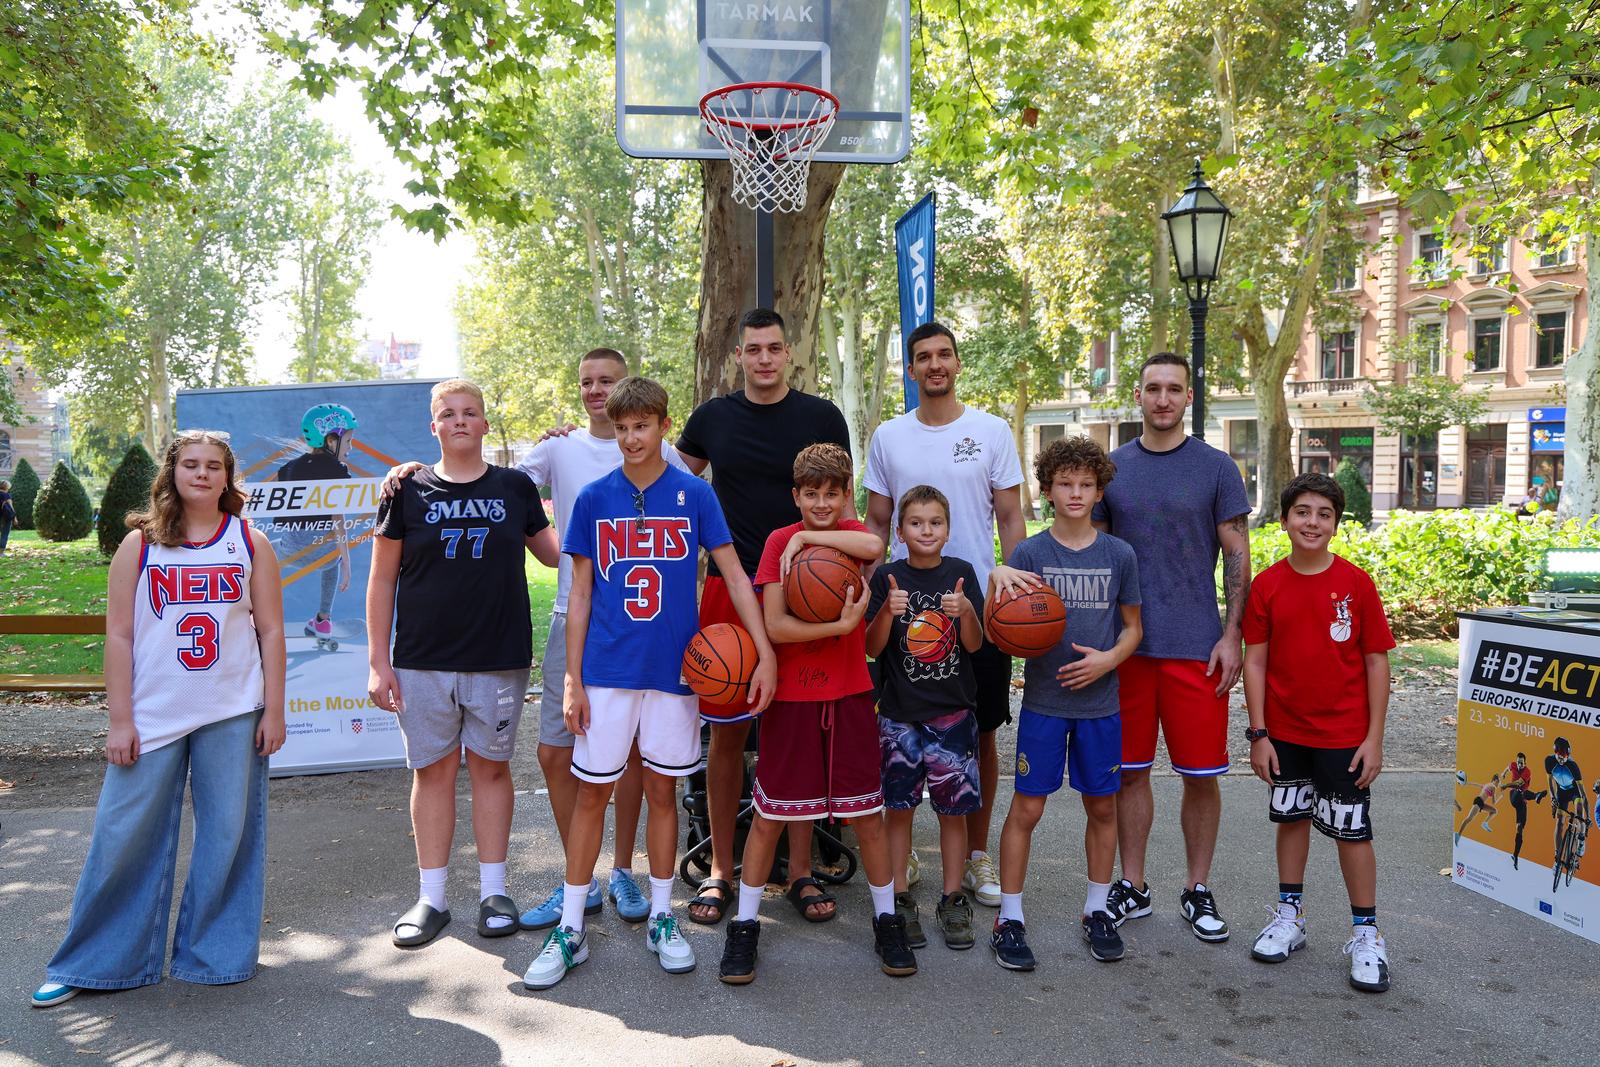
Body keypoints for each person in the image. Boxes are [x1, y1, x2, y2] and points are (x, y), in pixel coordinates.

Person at [381, 349, 683, 927]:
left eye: (609, 383)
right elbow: (475, 477)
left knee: (635, 757)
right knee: (556, 751)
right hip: (574, 616)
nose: (598, 392)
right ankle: (581, 876)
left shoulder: (663, 454)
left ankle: (622, 872)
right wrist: (411, 471)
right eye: (588, 383)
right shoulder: (556, 449)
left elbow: (692, 510)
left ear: (634, 394)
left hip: (641, 625)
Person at [524, 376, 776, 990]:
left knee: (663, 795)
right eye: (623, 427)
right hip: (607, 671)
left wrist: (763, 652)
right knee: (592, 795)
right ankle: (573, 926)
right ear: (612, 429)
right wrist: (570, 681)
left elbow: (736, 578)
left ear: (664, 425)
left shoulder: (694, 495)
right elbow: (579, 594)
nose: (632, 437)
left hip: (674, 673)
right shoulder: (592, 498)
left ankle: (663, 916)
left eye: (644, 425)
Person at [32, 430, 286, 1009]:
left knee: (228, 835)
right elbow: (118, 637)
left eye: (213, 466)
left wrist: (275, 708)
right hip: (151, 714)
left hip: (232, 708)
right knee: (122, 836)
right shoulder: (140, 544)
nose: (202, 474)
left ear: (228, 477)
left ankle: (215, 955)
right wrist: (119, 719)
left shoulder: (249, 541)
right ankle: (95, 962)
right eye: (190, 465)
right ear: (171, 472)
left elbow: (271, 630)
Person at [675, 309, 853, 926]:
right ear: (738, 355)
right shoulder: (712, 419)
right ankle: (722, 869)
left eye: (775, 348)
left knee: (795, 735)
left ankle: (800, 868)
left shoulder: (821, 417)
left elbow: (842, 501)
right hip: (730, 588)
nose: (765, 359)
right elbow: (668, 486)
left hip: (806, 591)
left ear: (789, 353)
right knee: (727, 735)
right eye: (754, 349)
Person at [367, 380, 558, 948]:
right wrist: (379, 661)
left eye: (469, 412)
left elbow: (555, 554)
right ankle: (432, 898)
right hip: (423, 658)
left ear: (484, 425)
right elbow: (381, 579)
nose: (459, 421)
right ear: (434, 427)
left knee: (492, 770)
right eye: (447, 414)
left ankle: (494, 891)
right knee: (434, 772)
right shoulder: (406, 490)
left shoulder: (515, 486)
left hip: (497, 657)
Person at [718, 443, 909, 983]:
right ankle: (746, 928)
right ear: (795, 495)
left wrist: (811, 536)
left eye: (832, 494)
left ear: (845, 494)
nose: (822, 503)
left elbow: (873, 541)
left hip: (848, 693)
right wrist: (838, 627)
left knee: (866, 816)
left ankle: (887, 921)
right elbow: (775, 626)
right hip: (793, 699)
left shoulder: (844, 538)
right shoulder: (778, 542)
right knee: (771, 816)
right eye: (810, 495)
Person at [864, 321, 1028, 908]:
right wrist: (869, 594)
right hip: (906, 612)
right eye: (924, 357)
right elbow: (876, 522)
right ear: (910, 370)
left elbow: (1010, 518)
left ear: (958, 363)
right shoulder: (889, 436)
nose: (935, 365)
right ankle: (904, 851)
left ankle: (977, 854)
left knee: (979, 733)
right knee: (902, 736)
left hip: (973, 608)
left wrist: (1015, 583)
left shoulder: (989, 431)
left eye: (945, 355)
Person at [1092, 351, 1252, 941]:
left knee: (1199, 775)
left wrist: (1232, 634)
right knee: (1130, 774)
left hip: (1196, 646)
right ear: (1138, 395)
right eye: (1153, 389)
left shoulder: (1216, 468)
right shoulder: (1111, 469)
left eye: (1174, 390)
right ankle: (1132, 886)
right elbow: (1096, 552)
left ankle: (1197, 888)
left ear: (1188, 397)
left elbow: (1237, 553)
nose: (1163, 399)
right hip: (1126, 650)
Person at [990, 437, 1142, 970]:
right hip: (1045, 704)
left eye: (1086, 484)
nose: (1075, 493)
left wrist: (1108, 660)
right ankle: (1009, 916)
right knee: (1028, 807)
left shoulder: (1119, 554)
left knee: (1102, 806)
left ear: (1100, 491)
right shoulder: (1030, 553)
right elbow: (1000, 615)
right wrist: (995, 575)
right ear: (1048, 489)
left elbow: (1133, 629)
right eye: (1065, 483)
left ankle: (1097, 909)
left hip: (1101, 703)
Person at [1243, 472, 1395, 994]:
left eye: (1323, 513)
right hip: (1284, 732)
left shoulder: (1355, 584)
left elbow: (1377, 663)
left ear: (1335, 523)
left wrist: (1374, 737)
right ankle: (1290, 917)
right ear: (1284, 520)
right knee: (1292, 820)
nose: (1312, 521)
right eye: (1302, 511)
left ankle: (1367, 933)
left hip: (1345, 736)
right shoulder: (1266, 585)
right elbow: (1255, 662)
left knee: (1353, 832)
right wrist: (1258, 733)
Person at [865, 484, 986, 950]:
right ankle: (898, 897)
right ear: (900, 531)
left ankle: (953, 897)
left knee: (952, 813)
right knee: (899, 810)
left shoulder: (961, 574)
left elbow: (974, 645)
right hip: (899, 716)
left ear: (948, 529)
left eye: (935, 522)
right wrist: (887, 615)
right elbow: (870, 650)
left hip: (952, 715)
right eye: (916, 523)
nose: (926, 530)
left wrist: (967, 612)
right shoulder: (888, 579)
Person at [275, 403, 358, 649]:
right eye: (349, 442)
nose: (351, 448)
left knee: (262, 552)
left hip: (292, 551)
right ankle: (323, 619)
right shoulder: (339, 470)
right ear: (331, 440)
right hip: (326, 556)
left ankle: (255, 613)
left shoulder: (286, 469)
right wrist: (346, 562)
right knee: (333, 556)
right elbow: (338, 519)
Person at [1546, 737, 1590, 869]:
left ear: (1568, 755)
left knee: (1578, 811)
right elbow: (1550, 782)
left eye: (1564, 757)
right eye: (1559, 756)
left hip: (1575, 792)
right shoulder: (1549, 762)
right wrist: (1552, 798)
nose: (1561, 760)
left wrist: (1587, 818)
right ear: (1555, 752)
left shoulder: (1573, 766)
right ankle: (1558, 858)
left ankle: (1581, 839)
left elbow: (1584, 795)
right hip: (1562, 793)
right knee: (1559, 822)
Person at [1500, 752, 1546, 869]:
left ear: (1525, 763)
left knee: (1520, 828)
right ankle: (1536, 796)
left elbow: (1519, 783)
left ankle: (1515, 855)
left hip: (1522, 803)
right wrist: (1503, 773)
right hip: (1514, 796)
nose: (1520, 765)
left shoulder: (1527, 771)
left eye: (1522, 763)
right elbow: (1508, 768)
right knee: (1521, 791)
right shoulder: (1513, 765)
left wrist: (1505, 785)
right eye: (1518, 762)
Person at [1454, 774, 1501, 845]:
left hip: (1481, 802)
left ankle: (1485, 823)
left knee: (1494, 811)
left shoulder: (1487, 785)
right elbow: (1494, 802)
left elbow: (1476, 784)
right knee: (1469, 819)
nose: (1499, 783)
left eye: (1499, 782)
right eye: (1498, 781)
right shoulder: (1493, 787)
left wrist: (1467, 783)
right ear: (1495, 780)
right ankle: (1458, 834)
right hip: (1479, 802)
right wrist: (1500, 797)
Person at [0, 478, 13, 555]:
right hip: (5, 517)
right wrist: (15, 518)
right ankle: (1, 552)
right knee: (4, 533)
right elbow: (11, 507)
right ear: (7, 487)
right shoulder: (6, 495)